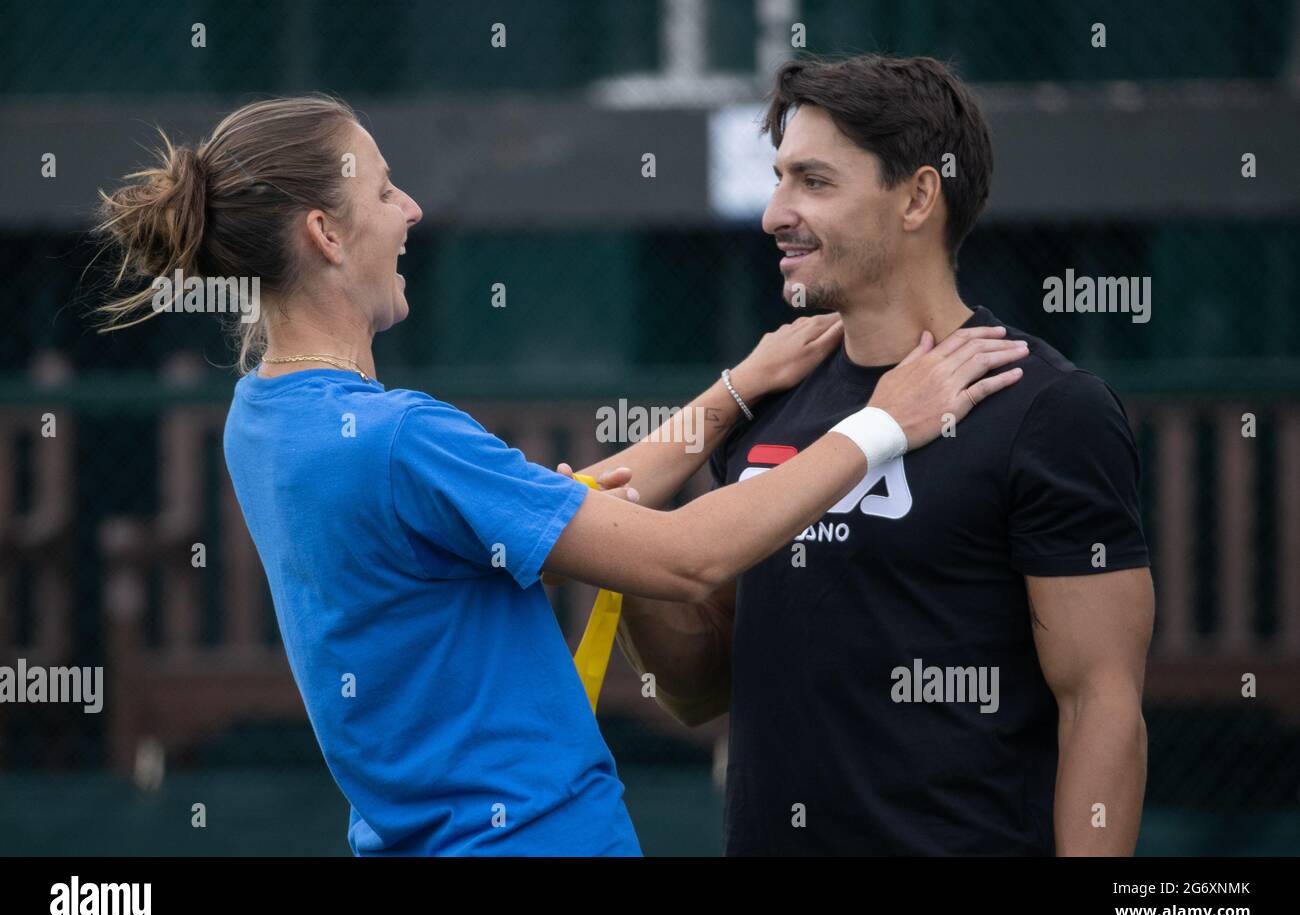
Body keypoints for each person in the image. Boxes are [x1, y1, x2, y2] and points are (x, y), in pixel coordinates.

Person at [91, 94, 1027, 856]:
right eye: (384, 193)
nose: (411, 210)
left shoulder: (261, 416)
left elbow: (564, 506)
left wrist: (736, 389)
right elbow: (682, 560)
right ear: (327, 236)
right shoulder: (400, 440)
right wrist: (882, 424)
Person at [612, 56, 1156, 856]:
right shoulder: (770, 398)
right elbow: (701, 690)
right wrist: (633, 564)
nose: (774, 213)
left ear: (918, 197)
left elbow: (1102, 710)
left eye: (814, 182)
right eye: (777, 179)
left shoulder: (1048, 411)